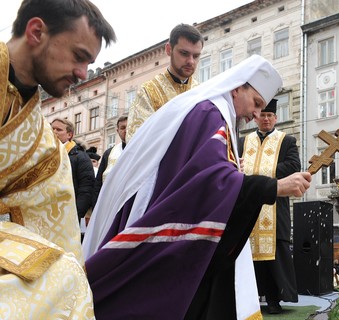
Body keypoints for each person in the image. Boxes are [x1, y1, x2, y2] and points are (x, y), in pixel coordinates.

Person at [82, 54, 312, 319]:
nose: (256, 115)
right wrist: (274, 188)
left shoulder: (211, 112)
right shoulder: (211, 114)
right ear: (238, 88)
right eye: (256, 104)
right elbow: (211, 180)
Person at [0, 0, 115, 317]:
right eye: (79, 57)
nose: (82, 73)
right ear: (36, 31)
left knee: (64, 275)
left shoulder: (45, 146)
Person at [238, 98, 301, 314]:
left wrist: (257, 174)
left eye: (270, 116)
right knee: (247, 256)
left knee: (275, 257)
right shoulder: (243, 141)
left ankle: (274, 300)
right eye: (262, 115)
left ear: (275, 118)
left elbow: (293, 166)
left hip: (275, 209)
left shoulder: (286, 140)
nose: (266, 119)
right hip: (247, 208)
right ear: (256, 118)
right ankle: (249, 300)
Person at [126, 23, 203, 142]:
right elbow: (137, 142)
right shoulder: (148, 92)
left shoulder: (202, 93)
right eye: (184, 53)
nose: (191, 61)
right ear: (169, 49)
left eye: (196, 56)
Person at [51, 118, 95, 220]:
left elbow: (86, 188)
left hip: (69, 213)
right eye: (52, 129)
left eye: (59, 129)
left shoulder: (81, 157)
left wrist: (76, 214)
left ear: (69, 135)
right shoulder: (46, 154)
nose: (54, 132)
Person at [92, 115, 127, 207]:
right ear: (117, 131)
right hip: (110, 202)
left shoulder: (142, 150)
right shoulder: (109, 153)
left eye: (128, 127)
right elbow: (98, 182)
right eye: (122, 128)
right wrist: (96, 205)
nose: (126, 130)